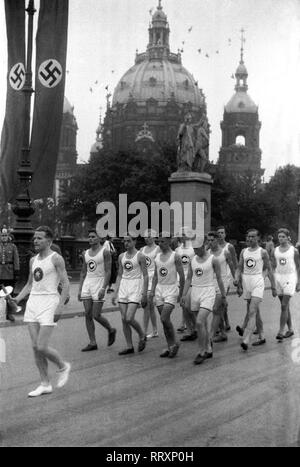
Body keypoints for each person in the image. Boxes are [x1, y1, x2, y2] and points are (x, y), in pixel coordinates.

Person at [14, 226, 71, 397]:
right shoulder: (33, 260)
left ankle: (63, 366)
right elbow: (30, 284)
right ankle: (45, 383)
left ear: (49, 240)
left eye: (39, 238)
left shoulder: (56, 258)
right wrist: (16, 299)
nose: (35, 241)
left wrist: (60, 306)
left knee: (42, 346)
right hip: (33, 303)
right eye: (35, 238)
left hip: (49, 302)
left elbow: (66, 284)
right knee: (34, 347)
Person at [181, 235, 226, 365]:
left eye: (197, 248)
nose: (195, 251)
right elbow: (189, 278)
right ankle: (209, 348)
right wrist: (184, 295)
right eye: (194, 248)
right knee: (202, 324)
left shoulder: (213, 260)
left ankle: (201, 352)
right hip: (195, 291)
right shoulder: (193, 260)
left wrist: (223, 296)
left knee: (200, 322)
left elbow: (219, 279)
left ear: (203, 245)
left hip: (208, 292)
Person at [234, 228, 277, 351]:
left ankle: (246, 339)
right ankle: (262, 335)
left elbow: (269, 269)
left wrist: (273, 287)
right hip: (247, 282)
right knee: (255, 311)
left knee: (252, 311)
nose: (249, 239)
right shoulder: (243, 251)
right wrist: (237, 279)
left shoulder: (262, 252)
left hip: (257, 282)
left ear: (258, 238)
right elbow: (238, 268)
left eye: (252, 236)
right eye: (248, 236)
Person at [78, 229, 116, 351]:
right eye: (89, 237)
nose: (90, 239)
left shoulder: (105, 252)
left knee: (96, 314)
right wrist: (79, 289)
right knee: (87, 313)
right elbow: (83, 271)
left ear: (100, 238)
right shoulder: (85, 253)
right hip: (88, 283)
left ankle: (111, 329)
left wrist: (104, 287)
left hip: (99, 283)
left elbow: (108, 271)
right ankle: (92, 342)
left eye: (93, 237)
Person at [150, 233, 185, 358]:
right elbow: (155, 276)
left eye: (163, 242)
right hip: (160, 290)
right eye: (158, 242)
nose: (160, 244)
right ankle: (170, 345)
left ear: (169, 241)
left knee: (164, 318)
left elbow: (182, 277)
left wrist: (182, 295)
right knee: (165, 322)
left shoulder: (175, 256)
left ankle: (175, 342)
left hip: (171, 290)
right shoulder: (157, 256)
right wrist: (152, 291)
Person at [112, 234, 148, 355]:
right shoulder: (121, 256)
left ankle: (142, 334)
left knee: (129, 317)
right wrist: (115, 292)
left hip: (135, 287)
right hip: (124, 287)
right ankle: (129, 346)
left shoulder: (140, 256)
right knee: (123, 319)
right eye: (124, 241)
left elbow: (146, 275)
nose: (126, 243)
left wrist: (144, 294)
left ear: (134, 242)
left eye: (128, 241)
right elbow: (119, 274)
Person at [207, 231, 235, 343]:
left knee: (215, 308)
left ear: (217, 240)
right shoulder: (207, 252)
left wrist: (237, 281)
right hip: (211, 282)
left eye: (212, 240)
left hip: (223, 281)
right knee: (219, 310)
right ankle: (222, 332)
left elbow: (232, 266)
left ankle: (211, 336)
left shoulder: (225, 252)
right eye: (208, 240)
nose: (210, 242)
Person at [272, 228, 300, 341]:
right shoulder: (275, 250)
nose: (281, 239)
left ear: (288, 237)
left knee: (284, 305)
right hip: (279, 278)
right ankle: (291, 329)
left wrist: (298, 282)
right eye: (279, 237)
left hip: (290, 277)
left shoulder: (294, 251)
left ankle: (281, 331)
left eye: (283, 236)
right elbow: (273, 265)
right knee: (285, 306)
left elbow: (298, 266)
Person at [216, 226, 238, 331]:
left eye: (222, 233)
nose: (220, 234)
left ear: (225, 234)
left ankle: (220, 326)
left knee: (220, 302)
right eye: (218, 233)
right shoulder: (212, 247)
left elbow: (234, 263)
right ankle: (226, 322)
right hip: (214, 279)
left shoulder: (229, 247)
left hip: (226, 279)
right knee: (222, 303)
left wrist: (236, 278)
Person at [175, 229, 196, 337]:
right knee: (183, 304)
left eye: (184, 234)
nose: (182, 236)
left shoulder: (193, 249)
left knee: (188, 305)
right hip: (179, 279)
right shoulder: (177, 250)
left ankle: (194, 325)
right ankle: (186, 326)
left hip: (190, 280)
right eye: (181, 234)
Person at [140, 229, 160, 338]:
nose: (147, 238)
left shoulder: (158, 249)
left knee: (147, 305)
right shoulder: (142, 250)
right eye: (145, 236)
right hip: (144, 278)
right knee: (150, 306)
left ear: (154, 237)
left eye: (149, 236)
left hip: (154, 279)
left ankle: (144, 331)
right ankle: (155, 330)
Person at [0, 228, 20, 322]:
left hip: (9, 273)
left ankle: (9, 313)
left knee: (9, 294)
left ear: (8, 236)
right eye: (2, 235)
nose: (4, 237)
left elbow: (16, 259)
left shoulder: (13, 246)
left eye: (5, 235)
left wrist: (16, 271)